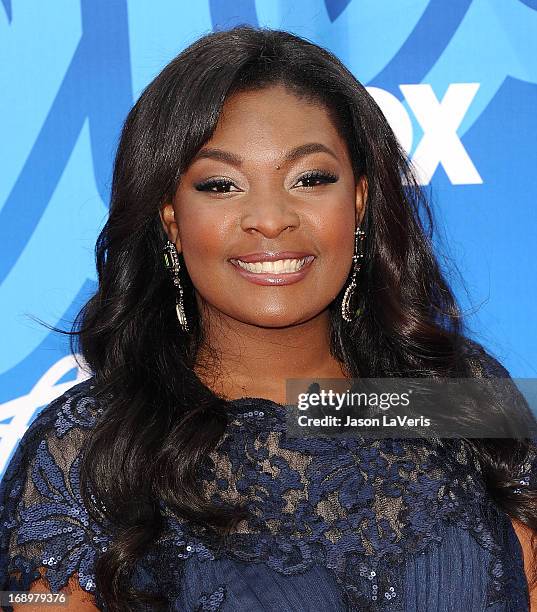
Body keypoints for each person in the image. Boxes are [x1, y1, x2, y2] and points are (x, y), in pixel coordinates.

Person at [1, 25, 536, 612]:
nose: (271, 218)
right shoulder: (93, 448)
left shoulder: (457, 390)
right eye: (221, 184)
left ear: (358, 200)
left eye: (309, 178)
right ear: (171, 219)